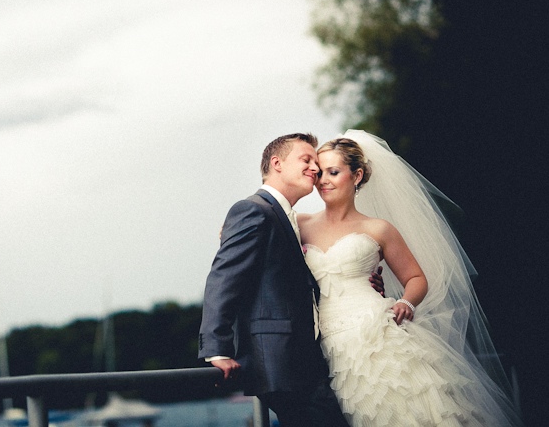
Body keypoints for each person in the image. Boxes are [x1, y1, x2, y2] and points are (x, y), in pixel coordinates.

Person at [299, 130, 522, 426]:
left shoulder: (379, 228)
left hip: (375, 336)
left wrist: (406, 302)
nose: (323, 180)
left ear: (357, 175)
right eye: (320, 173)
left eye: (334, 172)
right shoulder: (300, 224)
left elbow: (416, 277)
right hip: (323, 342)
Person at [198, 133, 355, 427]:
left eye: (317, 163)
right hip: (278, 363)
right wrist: (217, 349)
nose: (315, 169)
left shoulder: (287, 217)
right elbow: (223, 278)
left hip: (304, 361)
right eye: (306, 160)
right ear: (277, 163)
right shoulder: (252, 209)